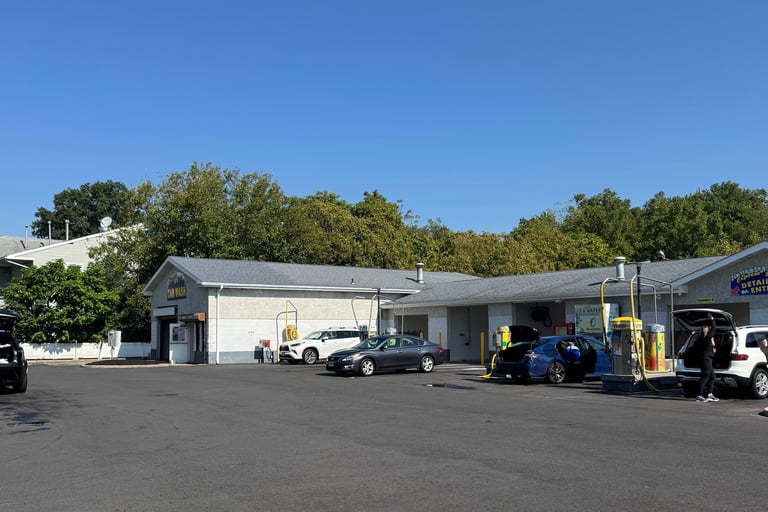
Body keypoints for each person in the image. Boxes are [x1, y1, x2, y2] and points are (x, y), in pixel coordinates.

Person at [696, 316, 719, 402]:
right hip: (706, 359)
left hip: (706, 359)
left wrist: (712, 349)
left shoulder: (701, 339)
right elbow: (714, 328)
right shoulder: (707, 337)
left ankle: (710, 394)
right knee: (705, 376)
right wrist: (712, 319)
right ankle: (699, 395)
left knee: (712, 377)